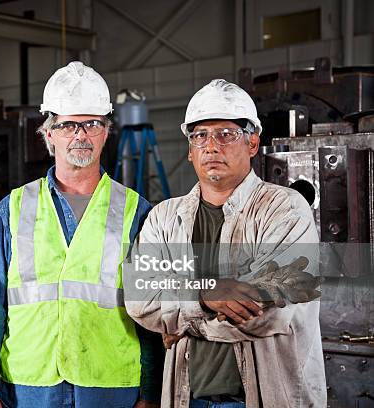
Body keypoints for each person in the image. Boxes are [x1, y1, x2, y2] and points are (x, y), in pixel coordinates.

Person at [0, 61, 163, 408]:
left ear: (106, 131)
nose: (80, 135)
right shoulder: (11, 209)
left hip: (112, 387)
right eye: (69, 125)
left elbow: (153, 314)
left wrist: (150, 390)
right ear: (49, 133)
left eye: (91, 124)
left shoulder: (138, 212)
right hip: (28, 387)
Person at [124, 79, 326, 407]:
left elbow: (270, 313)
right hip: (187, 397)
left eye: (226, 134)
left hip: (261, 397)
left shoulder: (284, 209)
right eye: (200, 135)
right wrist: (206, 295)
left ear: (252, 142)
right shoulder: (164, 218)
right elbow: (139, 298)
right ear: (190, 151)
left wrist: (179, 322)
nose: (211, 146)